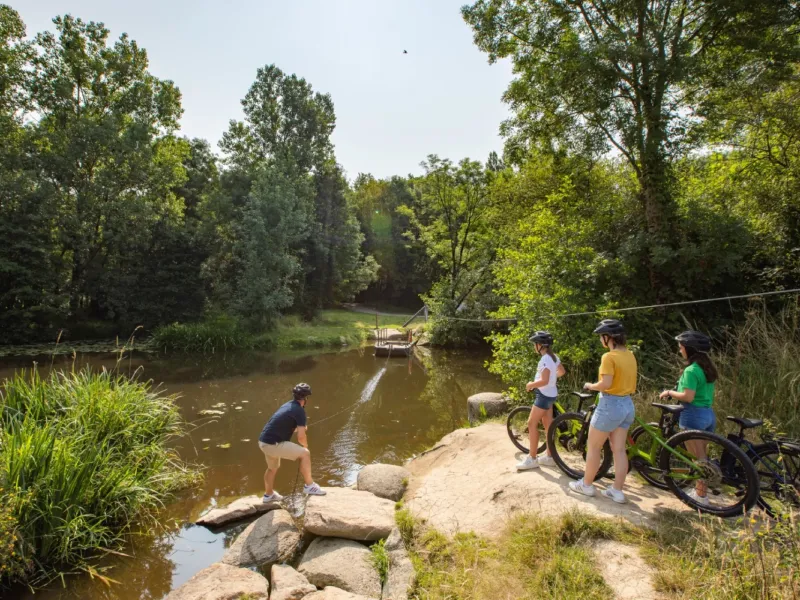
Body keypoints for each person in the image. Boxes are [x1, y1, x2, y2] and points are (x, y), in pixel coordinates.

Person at [569, 319, 637, 504]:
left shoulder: (609, 357)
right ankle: (617, 491)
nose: (601, 340)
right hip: (627, 405)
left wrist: (591, 385)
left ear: (608, 337)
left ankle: (587, 485)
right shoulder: (630, 354)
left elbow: (606, 385)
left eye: (601, 336)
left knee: (593, 447)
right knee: (619, 450)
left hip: (610, 405)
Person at [659, 330, 718, 506]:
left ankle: (701, 497)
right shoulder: (707, 369)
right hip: (708, 414)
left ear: (689, 349)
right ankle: (701, 491)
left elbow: (687, 396)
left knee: (697, 460)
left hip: (693, 414)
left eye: (681, 347)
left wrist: (669, 392)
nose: (680, 350)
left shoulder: (691, 370)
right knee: (702, 457)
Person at [258, 382, 326, 502]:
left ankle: (268, 495)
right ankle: (309, 486)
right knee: (305, 453)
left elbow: (283, 425)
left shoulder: (288, 405)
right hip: (274, 444)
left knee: (272, 468)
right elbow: (301, 437)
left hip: (263, 442)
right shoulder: (299, 410)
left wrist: (298, 428)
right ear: (306, 398)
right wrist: (305, 445)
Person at [517, 331, 566, 470]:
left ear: (540, 345)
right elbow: (561, 372)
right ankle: (550, 456)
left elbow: (544, 380)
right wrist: (552, 379)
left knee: (531, 423)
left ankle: (532, 458)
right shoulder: (554, 357)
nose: (534, 346)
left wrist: (531, 384)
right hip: (551, 395)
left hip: (543, 396)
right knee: (548, 426)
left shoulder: (544, 359)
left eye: (535, 344)